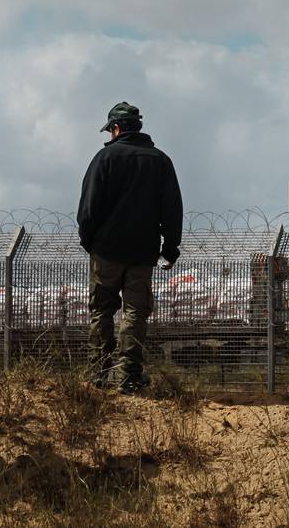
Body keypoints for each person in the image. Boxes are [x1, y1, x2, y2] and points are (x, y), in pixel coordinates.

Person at [77, 101, 183, 395]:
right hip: (142, 252)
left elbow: (88, 208)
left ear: (116, 128)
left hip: (106, 251)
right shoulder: (160, 161)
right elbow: (172, 209)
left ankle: (98, 374)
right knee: (135, 311)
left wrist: (90, 242)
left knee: (101, 310)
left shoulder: (104, 158)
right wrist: (170, 248)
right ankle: (129, 376)